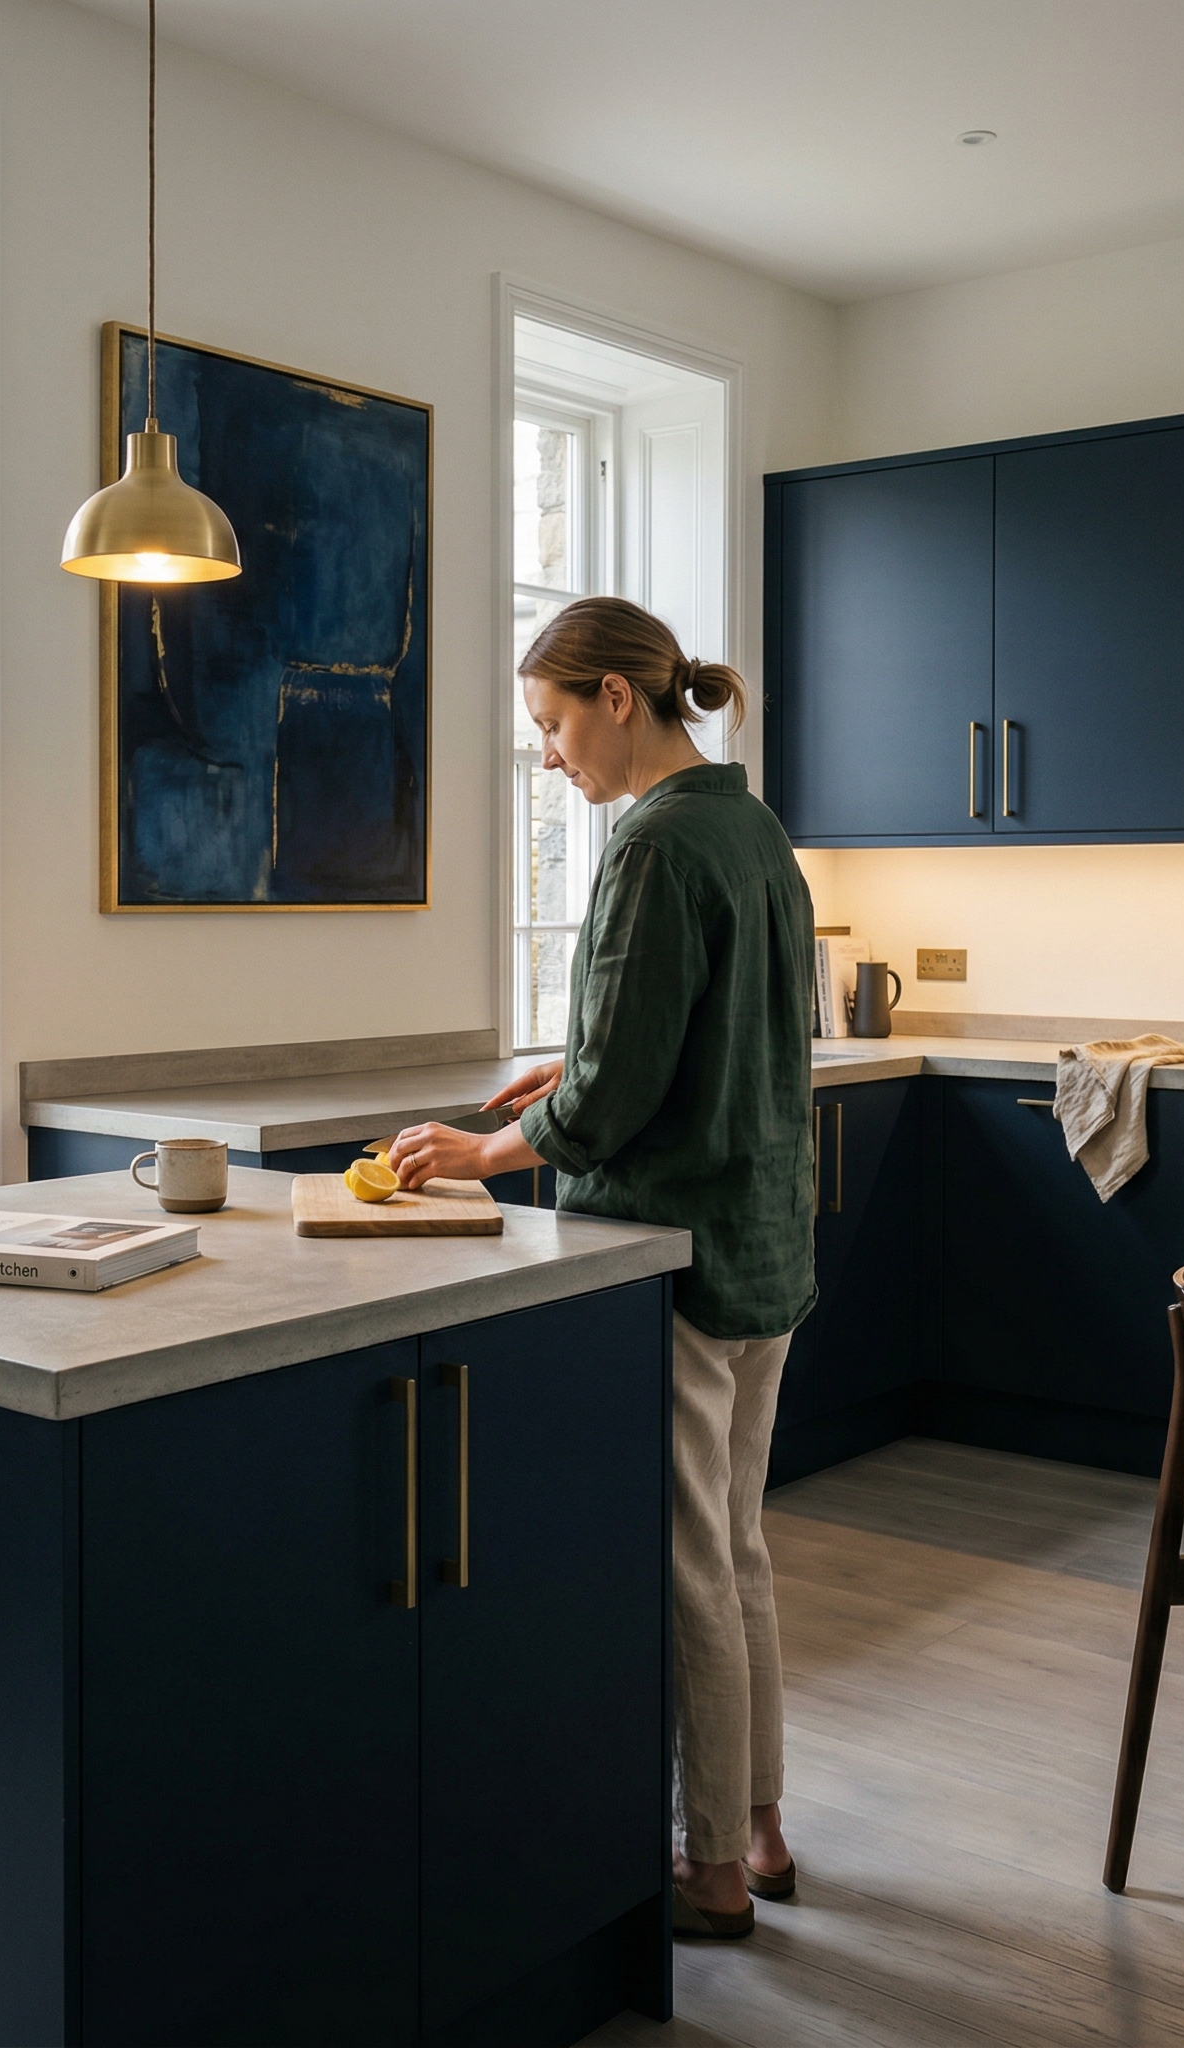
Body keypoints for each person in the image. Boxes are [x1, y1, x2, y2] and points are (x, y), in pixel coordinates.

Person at [387, 595, 816, 1941]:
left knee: (688, 1560)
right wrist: (562, 1069)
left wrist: (483, 1148)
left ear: (618, 698)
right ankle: (757, 1823)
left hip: (665, 1254)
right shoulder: (754, 829)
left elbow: (621, 1101)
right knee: (736, 1545)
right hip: (762, 1242)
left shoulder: (651, 848)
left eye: (553, 722)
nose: (550, 754)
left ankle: (707, 1872)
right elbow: (706, 1035)